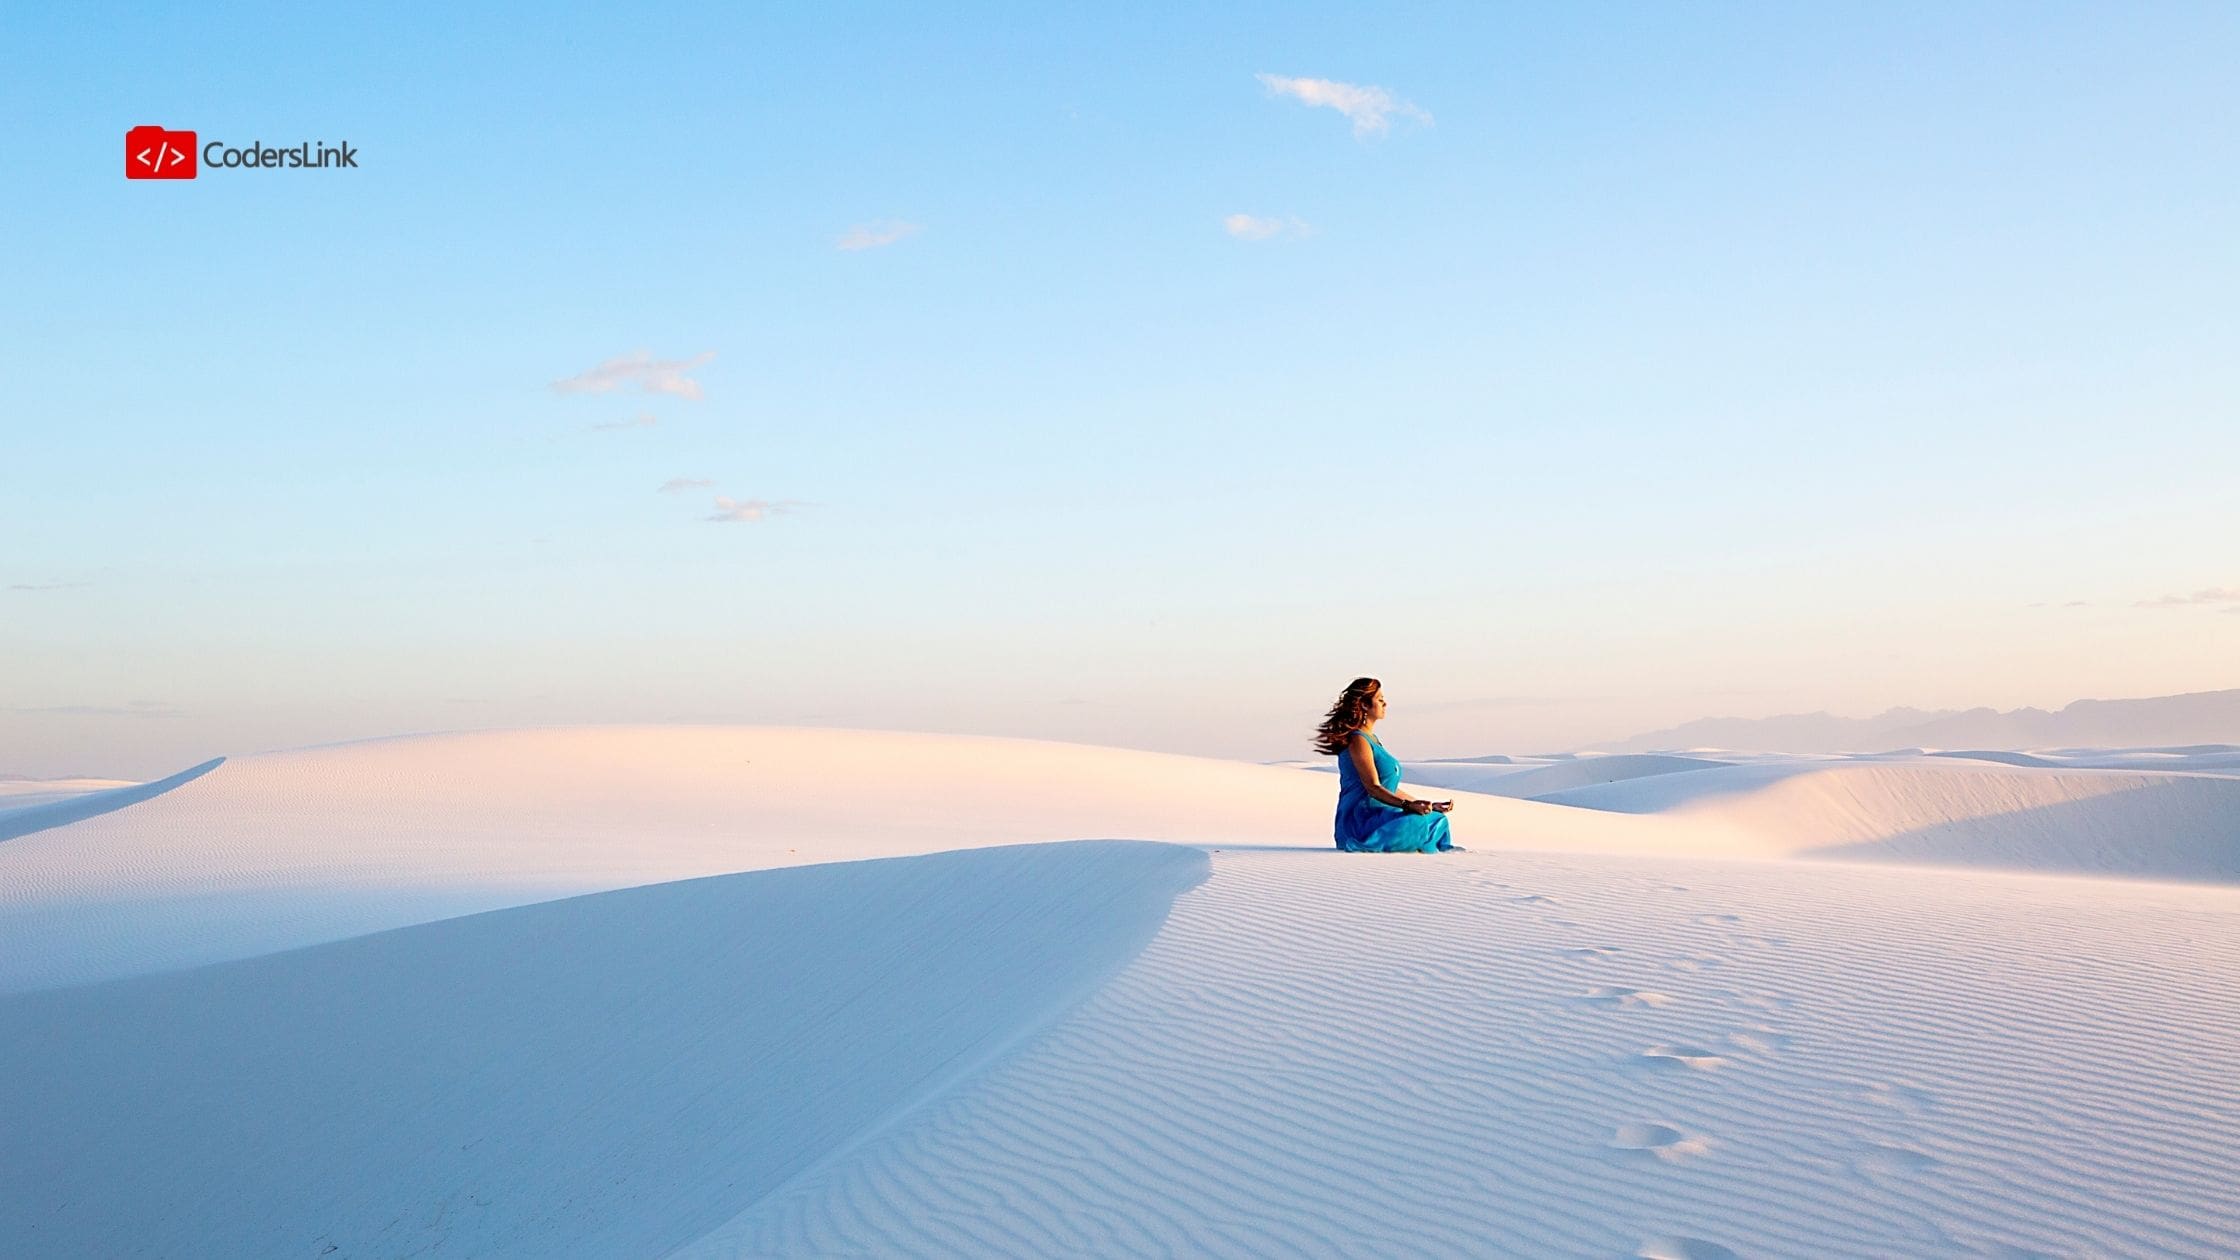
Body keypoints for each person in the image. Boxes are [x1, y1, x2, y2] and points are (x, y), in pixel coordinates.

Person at [1314, 676, 1458, 853]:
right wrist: (1407, 806)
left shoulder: (1372, 740)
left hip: (1384, 815)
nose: (1385, 704)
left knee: (1437, 819)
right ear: (1365, 705)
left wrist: (1425, 804)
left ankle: (1437, 850)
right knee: (1417, 822)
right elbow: (1373, 788)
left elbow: (1388, 787)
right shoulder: (1358, 740)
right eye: (1380, 700)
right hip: (1361, 822)